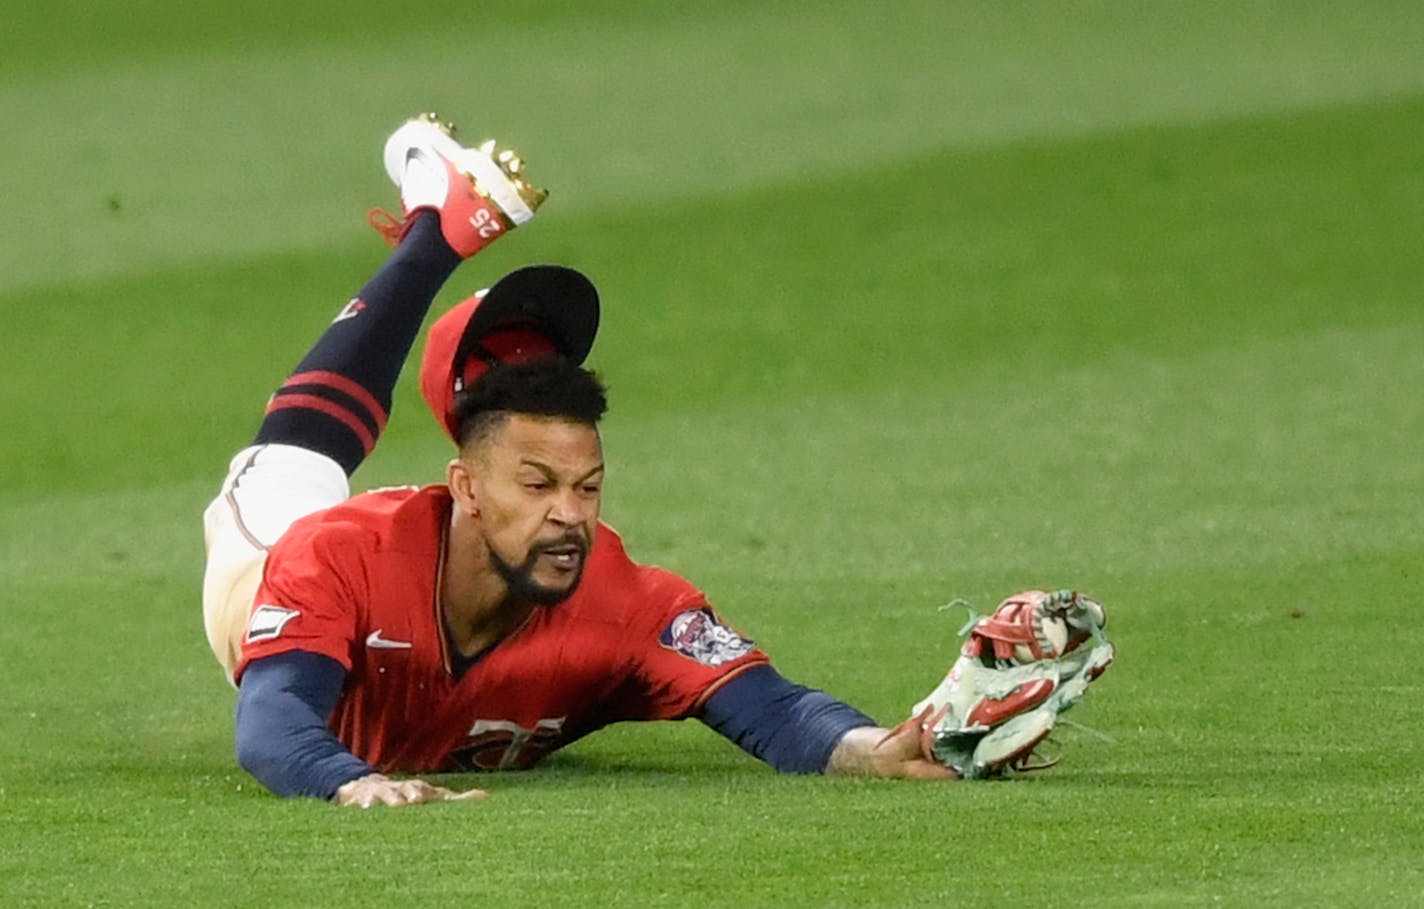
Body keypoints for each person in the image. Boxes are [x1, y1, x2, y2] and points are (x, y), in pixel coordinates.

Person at [202, 114, 1106, 807]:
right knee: (291, 462)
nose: (571, 513)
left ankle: (442, 220)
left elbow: (773, 706)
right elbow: (274, 721)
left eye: (587, 486)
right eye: (539, 484)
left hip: (422, 527)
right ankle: (435, 232)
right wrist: (350, 781)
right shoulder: (336, 556)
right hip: (270, 564)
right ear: (467, 482)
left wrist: (878, 744)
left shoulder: (627, 601)